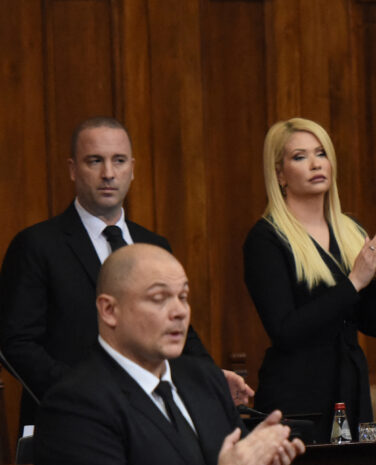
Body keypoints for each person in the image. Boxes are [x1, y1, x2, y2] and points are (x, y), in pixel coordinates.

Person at [35, 244, 306, 465]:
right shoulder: (75, 403)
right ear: (109, 310)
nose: (179, 312)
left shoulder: (204, 379)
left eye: (184, 296)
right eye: (159, 298)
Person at [0, 116, 252, 432]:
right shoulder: (36, 245)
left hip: (153, 426)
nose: (108, 173)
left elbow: (179, 328)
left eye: (118, 161)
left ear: (132, 169)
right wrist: (83, 395)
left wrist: (212, 379)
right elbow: (16, 343)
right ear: (73, 169)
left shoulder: (154, 244)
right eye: (95, 161)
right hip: (71, 424)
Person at [243, 118, 376, 443]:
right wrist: (355, 281)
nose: (316, 164)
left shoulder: (350, 229)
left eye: (321, 153)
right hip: (297, 398)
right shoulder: (266, 239)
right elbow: (285, 330)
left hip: (350, 388)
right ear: (279, 173)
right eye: (300, 157)